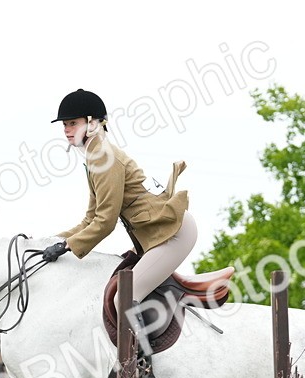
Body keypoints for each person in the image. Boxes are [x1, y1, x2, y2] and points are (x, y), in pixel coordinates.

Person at [40, 89, 197, 316]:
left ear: (92, 123)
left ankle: (137, 354)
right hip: (157, 234)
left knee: (123, 299)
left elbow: (105, 222)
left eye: (72, 123)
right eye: (64, 124)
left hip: (172, 234)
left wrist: (66, 246)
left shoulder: (103, 157)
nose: (66, 130)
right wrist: (52, 240)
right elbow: (91, 218)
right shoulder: (94, 157)